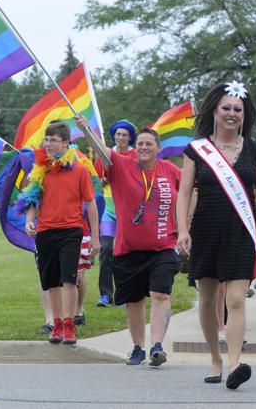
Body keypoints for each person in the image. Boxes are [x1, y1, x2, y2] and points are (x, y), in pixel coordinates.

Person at [176, 81, 256, 390]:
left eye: (238, 110)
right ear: (214, 110)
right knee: (209, 298)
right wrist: (182, 230)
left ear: (244, 115)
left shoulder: (254, 151)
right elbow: (183, 194)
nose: (232, 114)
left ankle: (236, 362)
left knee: (237, 298)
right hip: (206, 230)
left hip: (242, 231)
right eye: (226, 108)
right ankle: (215, 358)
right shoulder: (197, 149)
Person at [77, 118, 182, 367]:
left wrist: (186, 223)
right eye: (141, 143)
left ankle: (157, 346)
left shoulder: (169, 169)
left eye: (149, 144)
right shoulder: (122, 165)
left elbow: (190, 190)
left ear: (158, 148)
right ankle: (138, 347)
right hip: (128, 249)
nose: (144, 147)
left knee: (160, 294)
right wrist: (87, 131)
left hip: (163, 247)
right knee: (134, 302)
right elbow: (104, 154)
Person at [19, 122, 101, 345]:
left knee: (69, 279)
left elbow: (91, 204)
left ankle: (69, 324)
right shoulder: (40, 171)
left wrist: (95, 238)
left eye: (53, 140)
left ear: (66, 143)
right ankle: (56, 324)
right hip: (45, 232)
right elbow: (32, 199)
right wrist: (28, 221)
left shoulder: (81, 170)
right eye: (46, 139)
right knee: (51, 282)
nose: (48, 143)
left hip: (71, 231)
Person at [97, 119, 139, 308]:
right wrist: (103, 180)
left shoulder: (136, 155)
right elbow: (97, 180)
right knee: (106, 248)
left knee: (125, 253)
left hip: (128, 211)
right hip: (109, 210)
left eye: (125, 135)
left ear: (130, 138)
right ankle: (105, 295)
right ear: (114, 135)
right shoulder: (105, 154)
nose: (121, 137)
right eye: (118, 134)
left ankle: (124, 294)